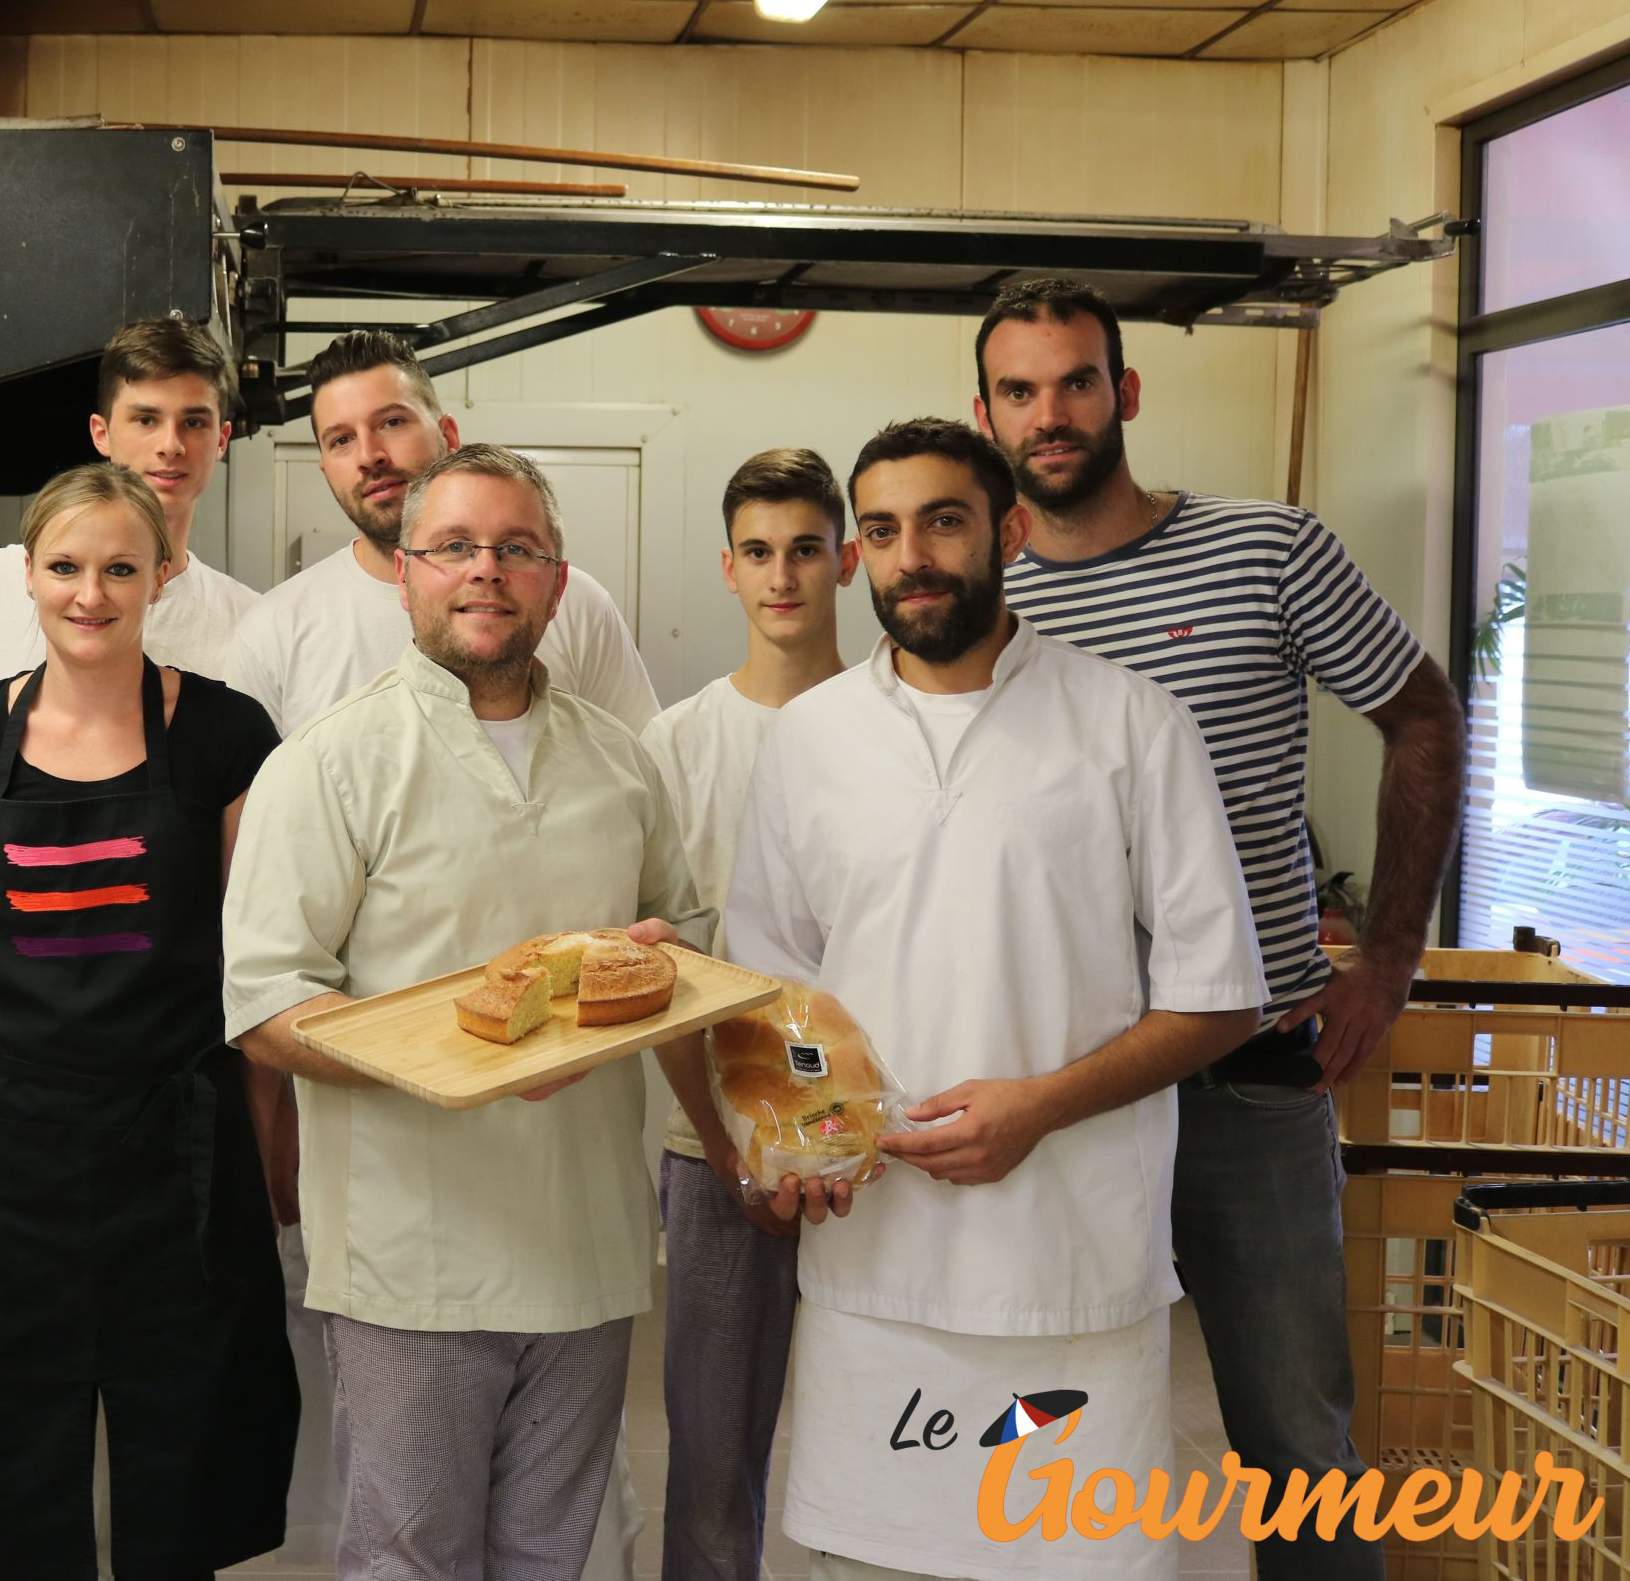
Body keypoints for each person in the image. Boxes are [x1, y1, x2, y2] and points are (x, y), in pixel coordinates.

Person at [719, 418, 1265, 1580]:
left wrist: (1039, 1108)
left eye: (943, 521)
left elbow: (1219, 998)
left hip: (1069, 1266)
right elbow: (775, 989)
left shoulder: (1130, 725)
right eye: (880, 530)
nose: (911, 555)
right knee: (870, 1565)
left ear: (1008, 530)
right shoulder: (809, 741)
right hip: (877, 1269)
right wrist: (802, 1138)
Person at [979, 279, 1463, 1581]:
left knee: (1297, 1441)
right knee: (1041, 1429)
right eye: (1020, 391)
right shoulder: (983, 589)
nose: (1051, 412)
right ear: (988, 411)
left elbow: (1422, 714)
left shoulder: (1268, 548)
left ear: (1125, 391)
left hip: (1250, 1075)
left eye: (1076, 380)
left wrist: (1392, 956)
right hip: (1063, 1086)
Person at [225, 444, 712, 1579]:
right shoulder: (329, 765)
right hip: (412, 1256)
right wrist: (461, 1057)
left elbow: (681, 945)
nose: (484, 571)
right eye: (453, 547)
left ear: (556, 579)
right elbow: (263, 1008)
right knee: (413, 1561)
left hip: (586, 1243)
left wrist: (657, 969)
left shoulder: (621, 764)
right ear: (404, 573)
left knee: (551, 1558)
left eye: (515, 549)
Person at [0, 461, 298, 1577]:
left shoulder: (226, 738)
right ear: (24, 576)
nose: (91, 593)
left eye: (120, 568)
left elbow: (256, 971)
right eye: (66, 567)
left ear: (161, 577)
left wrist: (269, 1149)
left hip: (180, 1156)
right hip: (11, 1157)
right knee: (10, 1473)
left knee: (188, 1471)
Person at [639, 448, 854, 1581]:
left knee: (880, 1446)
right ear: (727, 569)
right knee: (715, 1468)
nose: (784, 577)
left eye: (807, 550)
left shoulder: (900, 726)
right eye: (760, 553)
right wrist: (726, 1149)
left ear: (848, 562)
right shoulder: (673, 748)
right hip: (716, 1153)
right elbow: (665, 974)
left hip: (884, 1151)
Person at [224, 329, 660, 737]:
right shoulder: (273, 632)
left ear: (448, 435)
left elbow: (641, 773)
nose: (369, 455)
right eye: (341, 440)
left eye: (392, 422)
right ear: (324, 466)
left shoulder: (574, 605)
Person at [0, 318, 260, 689]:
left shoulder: (251, 624)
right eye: (146, 419)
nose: (170, 445)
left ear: (222, 439)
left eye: (194, 422)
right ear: (101, 433)